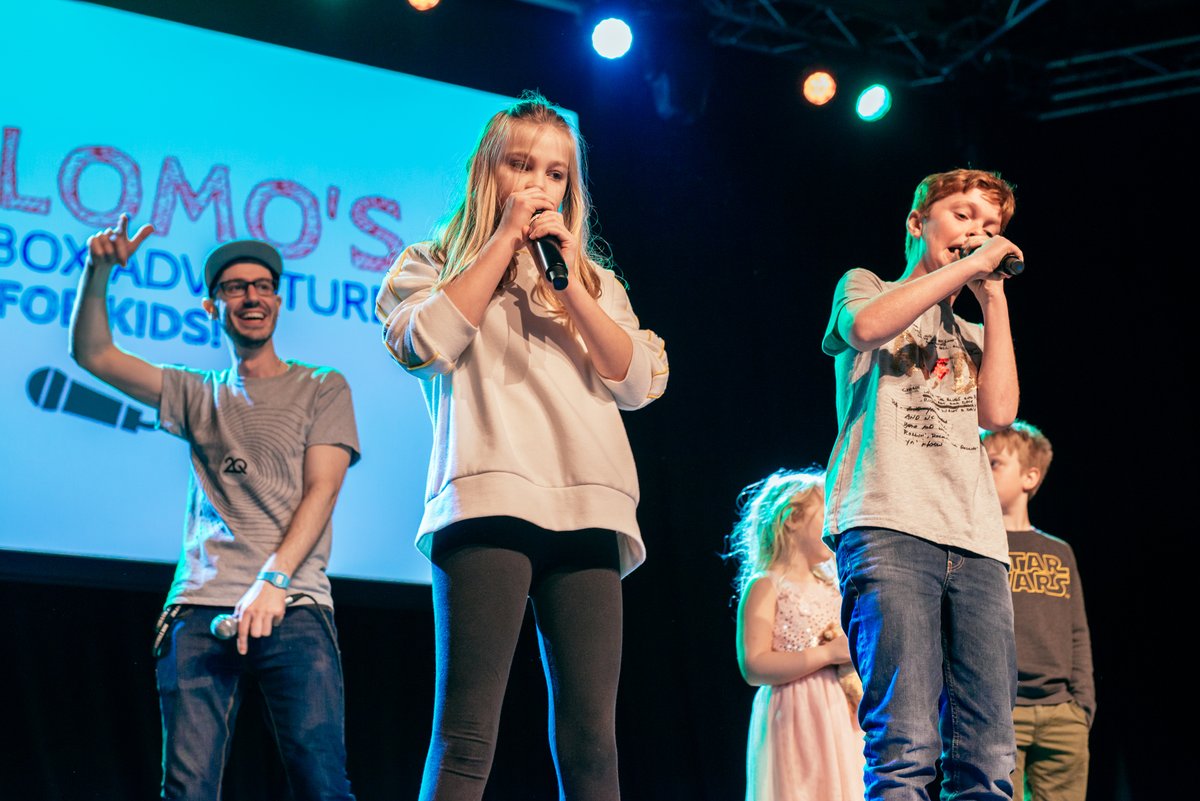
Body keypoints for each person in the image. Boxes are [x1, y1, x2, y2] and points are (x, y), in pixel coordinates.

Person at [374, 92, 668, 801]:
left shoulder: (593, 282)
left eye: (556, 173)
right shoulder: (431, 263)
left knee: (593, 744)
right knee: (467, 734)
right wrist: (504, 240)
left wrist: (572, 287)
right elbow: (424, 344)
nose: (539, 184)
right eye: (521, 165)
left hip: (590, 508)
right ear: (489, 172)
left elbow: (638, 382)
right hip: (488, 500)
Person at [69, 216, 360, 801]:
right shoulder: (197, 391)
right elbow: (94, 354)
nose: (252, 297)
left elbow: (322, 491)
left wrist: (273, 581)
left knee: (322, 785)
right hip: (201, 606)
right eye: (235, 287)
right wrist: (97, 272)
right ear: (211, 306)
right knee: (187, 790)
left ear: (277, 300)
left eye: (263, 286)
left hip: (294, 603)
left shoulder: (322, 386)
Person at [821, 168, 1026, 799]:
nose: (978, 233)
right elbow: (865, 330)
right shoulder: (866, 287)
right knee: (906, 744)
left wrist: (993, 297)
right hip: (888, 526)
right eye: (964, 216)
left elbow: (999, 413)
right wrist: (970, 266)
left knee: (988, 753)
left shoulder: (974, 333)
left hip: (976, 540)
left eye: (990, 226)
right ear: (918, 223)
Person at [728, 469, 866, 801]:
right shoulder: (767, 585)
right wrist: (828, 654)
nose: (834, 524)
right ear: (792, 519)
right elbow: (754, 665)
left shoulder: (833, 586)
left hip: (838, 711)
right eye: (825, 514)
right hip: (796, 713)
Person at [982, 421, 1095, 801]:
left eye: (994, 463)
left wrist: (1082, 706)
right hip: (999, 711)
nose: (983, 470)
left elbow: (1077, 631)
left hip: (1062, 713)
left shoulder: (1059, 552)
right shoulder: (975, 548)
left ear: (1029, 477)